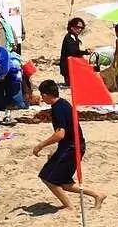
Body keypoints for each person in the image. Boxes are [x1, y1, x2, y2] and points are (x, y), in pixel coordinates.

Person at [33, 80, 106, 211]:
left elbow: (60, 134)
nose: (42, 99)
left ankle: (69, 207)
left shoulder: (58, 108)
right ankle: (97, 195)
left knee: (48, 178)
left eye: (42, 95)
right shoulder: (63, 103)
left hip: (72, 148)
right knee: (63, 182)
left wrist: (41, 145)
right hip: (71, 146)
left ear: (46, 95)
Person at [59, 18, 89, 84]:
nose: (80, 29)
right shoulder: (69, 38)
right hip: (68, 68)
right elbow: (73, 52)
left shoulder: (74, 37)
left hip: (73, 67)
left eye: (81, 28)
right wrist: (86, 52)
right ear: (72, 27)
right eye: (78, 27)